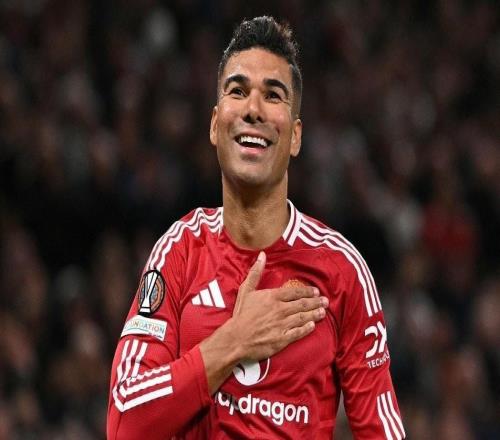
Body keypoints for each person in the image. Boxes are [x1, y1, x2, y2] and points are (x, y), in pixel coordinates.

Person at [107, 16, 405, 439]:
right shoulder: (180, 250)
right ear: (215, 125)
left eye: (273, 95)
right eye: (238, 90)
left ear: (295, 136)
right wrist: (236, 340)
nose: (253, 109)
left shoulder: (341, 270)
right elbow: (124, 421)